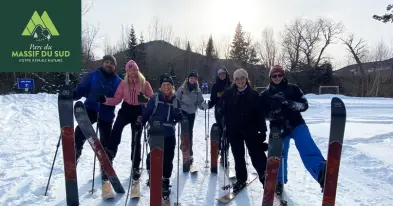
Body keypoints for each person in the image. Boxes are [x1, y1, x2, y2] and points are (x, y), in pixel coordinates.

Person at [260, 65, 326, 195]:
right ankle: (278, 181)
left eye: (280, 75)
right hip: (278, 128)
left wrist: (291, 104)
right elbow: (263, 113)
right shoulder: (265, 94)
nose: (277, 78)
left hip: (296, 123)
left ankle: (321, 171)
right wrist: (273, 114)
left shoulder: (293, 88)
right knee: (279, 154)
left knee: (306, 145)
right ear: (270, 77)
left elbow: (304, 105)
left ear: (283, 76)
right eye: (274, 76)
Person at [217, 68, 268, 193]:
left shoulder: (254, 94)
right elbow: (221, 108)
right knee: (238, 154)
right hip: (234, 130)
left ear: (246, 79)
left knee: (256, 153)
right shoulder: (228, 93)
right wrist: (222, 117)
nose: (240, 81)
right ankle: (241, 179)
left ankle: (264, 176)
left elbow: (259, 114)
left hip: (251, 129)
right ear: (234, 80)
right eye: (237, 78)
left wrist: (262, 131)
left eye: (242, 78)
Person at [72, 54, 122, 182]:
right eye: (106, 62)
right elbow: (81, 89)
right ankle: (74, 157)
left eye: (111, 63)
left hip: (106, 114)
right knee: (80, 132)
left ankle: (106, 168)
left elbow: (119, 98)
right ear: (102, 64)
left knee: (106, 143)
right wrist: (73, 94)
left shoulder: (118, 81)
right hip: (91, 109)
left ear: (115, 66)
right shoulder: (93, 75)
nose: (108, 64)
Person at [103, 60, 154, 181]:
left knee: (136, 139)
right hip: (126, 109)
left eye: (134, 71)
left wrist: (145, 100)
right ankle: (109, 157)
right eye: (129, 71)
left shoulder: (145, 84)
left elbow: (152, 102)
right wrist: (105, 100)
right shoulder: (123, 84)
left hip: (139, 111)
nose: (132, 74)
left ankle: (135, 167)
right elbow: (116, 99)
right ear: (127, 72)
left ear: (137, 71)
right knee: (116, 130)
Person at [136, 74, 182, 196]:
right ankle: (152, 174)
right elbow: (147, 113)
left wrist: (179, 116)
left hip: (169, 134)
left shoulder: (175, 100)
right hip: (156, 132)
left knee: (168, 158)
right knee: (154, 155)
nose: (166, 87)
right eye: (164, 85)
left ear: (172, 87)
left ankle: (165, 180)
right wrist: (141, 122)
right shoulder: (155, 98)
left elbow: (178, 115)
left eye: (169, 85)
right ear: (161, 87)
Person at [175, 71, 206, 164]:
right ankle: (185, 150)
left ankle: (190, 153)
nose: (193, 79)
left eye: (194, 78)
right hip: (183, 111)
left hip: (192, 112)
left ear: (196, 80)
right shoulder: (182, 88)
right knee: (185, 132)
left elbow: (200, 102)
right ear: (188, 78)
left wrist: (203, 106)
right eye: (191, 78)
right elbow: (176, 99)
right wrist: (177, 109)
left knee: (190, 132)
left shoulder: (198, 90)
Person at [207, 66, 232, 166]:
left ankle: (224, 154)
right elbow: (213, 100)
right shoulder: (215, 86)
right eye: (220, 74)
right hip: (219, 112)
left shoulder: (231, 85)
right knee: (220, 132)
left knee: (228, 134)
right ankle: (218, 150)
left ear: (226, 74)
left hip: (230, 112)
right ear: (218, 75)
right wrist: (207, 105)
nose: (222, 75)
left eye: (224, 74)